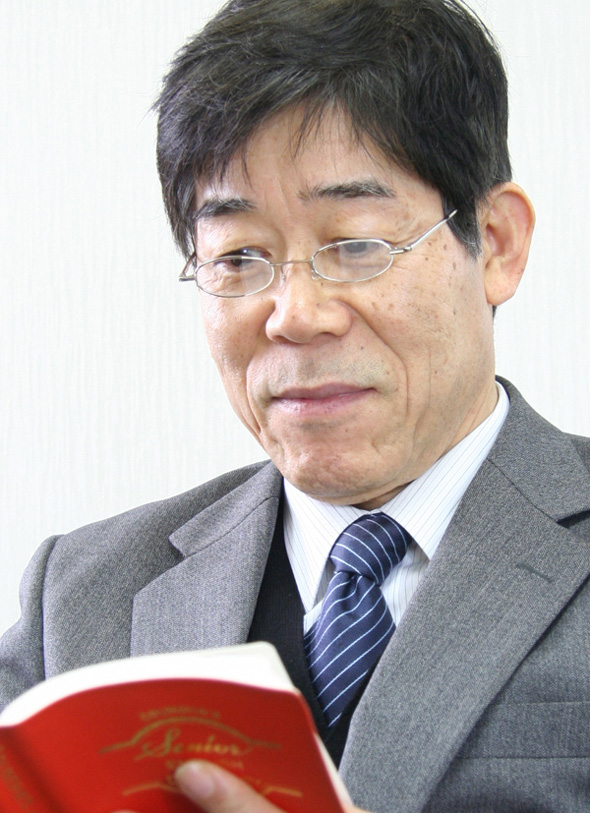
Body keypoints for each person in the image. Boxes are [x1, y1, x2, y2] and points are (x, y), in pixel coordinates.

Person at [1, 0, 589, 811]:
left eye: (355, 245)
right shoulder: (80, 596)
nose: (295, 314)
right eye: (239, 255)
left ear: (495, 242)